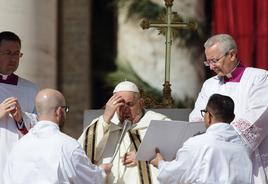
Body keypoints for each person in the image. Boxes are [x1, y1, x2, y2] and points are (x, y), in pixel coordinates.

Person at [189, 33, 268, 183]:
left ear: (231, 55)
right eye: (208, 62)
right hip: (213, 163)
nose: (211, 67)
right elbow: (197, 118)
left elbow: (255, 119)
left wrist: (220, 145)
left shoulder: (259, 79)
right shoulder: (210, 84)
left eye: (215, 61)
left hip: (250, 164)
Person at [3, 88, 112, 184]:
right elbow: (88, 180)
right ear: (59, 111)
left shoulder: (18, 146)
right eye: (66, 109)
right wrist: (102, 171)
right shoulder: (68, 146)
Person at [78, 81, 170, 184]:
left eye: (130, 104)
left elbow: (176, 152)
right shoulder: (102, 123)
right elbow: (80, 153)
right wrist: (106, 118)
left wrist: (145, 155)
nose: (125, 109)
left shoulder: (158, 122)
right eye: (120, 104)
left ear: (141, 103)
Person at [151, 94, 252, 184]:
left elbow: (174, 176)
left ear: (208, 116)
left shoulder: (196, 144)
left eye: (204, 113)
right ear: (232, 118)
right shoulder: (244, 147)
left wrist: (161, 164)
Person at [0, 31, 38, 182]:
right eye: (8, 53)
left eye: (17, 53)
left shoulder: (30, 89)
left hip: (18, 162)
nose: (13, 58)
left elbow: (41, 128)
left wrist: (22, 119)